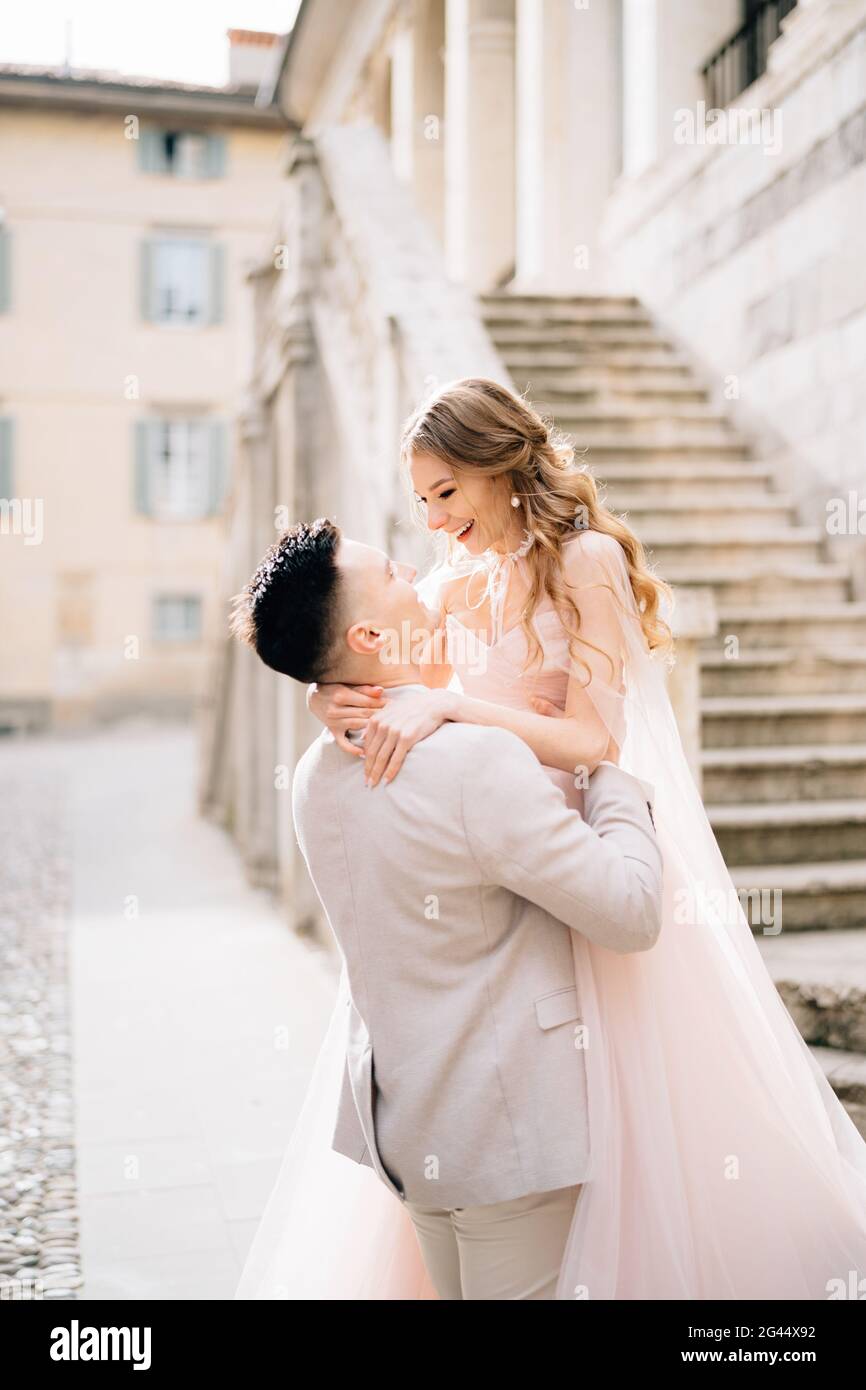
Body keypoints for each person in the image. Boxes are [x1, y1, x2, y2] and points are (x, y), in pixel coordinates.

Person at [298, 378, 866, 1300]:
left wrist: (454, 705)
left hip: (586, 859)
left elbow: (597, 739)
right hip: (498, 877)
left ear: (498, 466)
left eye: (447, 493)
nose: (436, 523)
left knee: (631, 1143)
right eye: (421, 503)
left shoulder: (586, 562)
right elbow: (373, 655)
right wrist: (326, 694)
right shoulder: (451, 581)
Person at [230, 516, 662, 1300]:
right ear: (367, 629)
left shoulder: (311, 777)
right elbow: (631, 910)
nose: (418, 576)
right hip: (509, 1139)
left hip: (408, 1130)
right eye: (396, 572)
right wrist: (611, 779)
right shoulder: (476, 761)